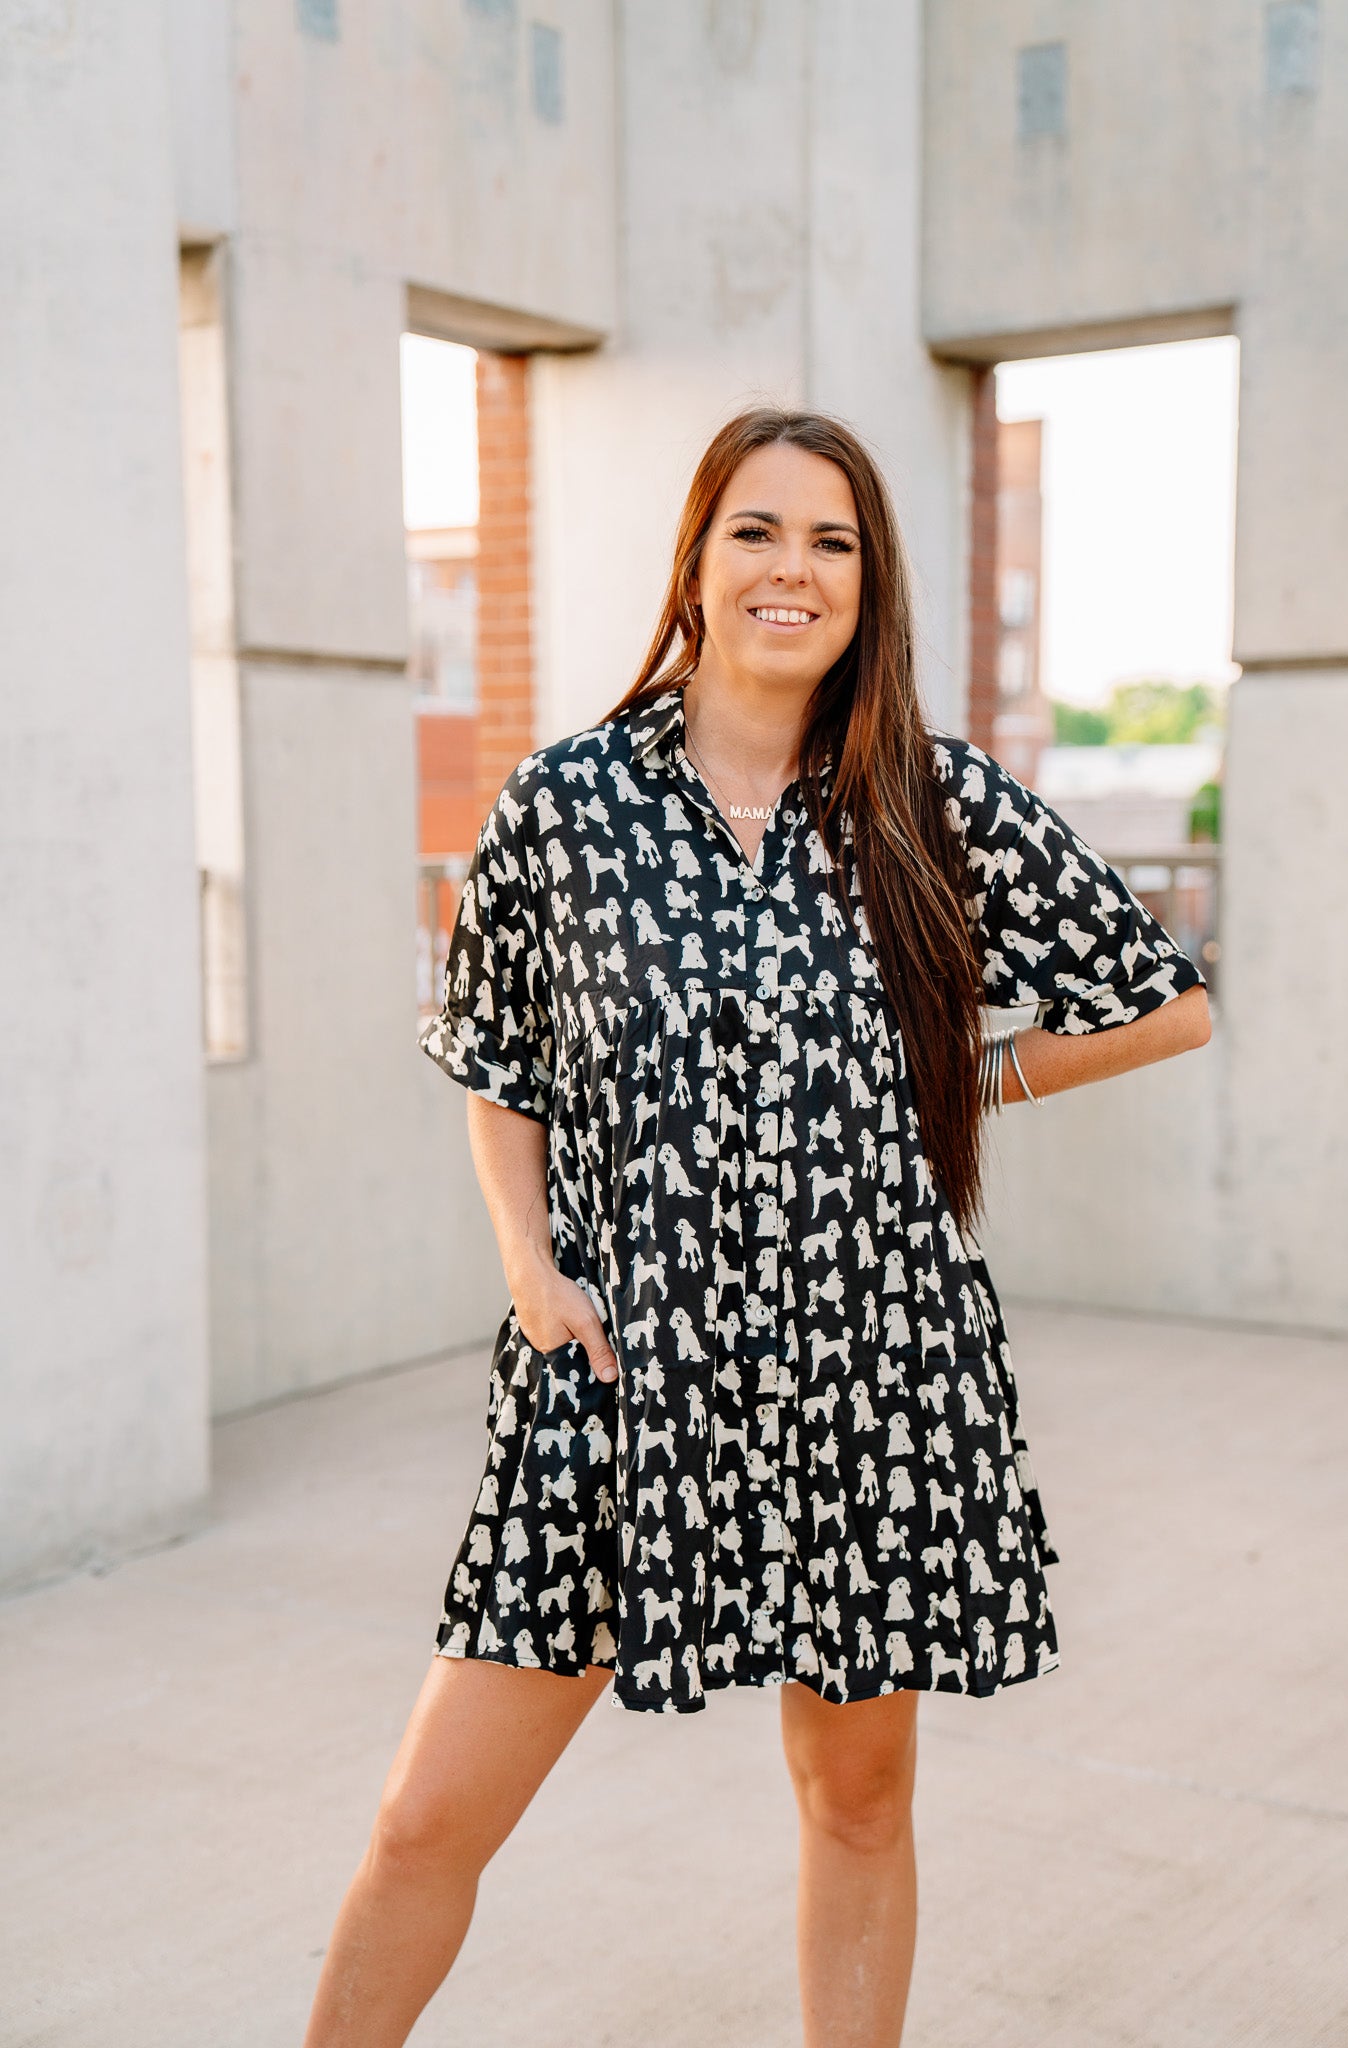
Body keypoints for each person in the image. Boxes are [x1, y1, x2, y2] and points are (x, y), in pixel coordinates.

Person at [302, 406, 1211, 2048]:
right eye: (758, 531)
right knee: (426, 1817)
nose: (793, 568)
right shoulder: (566, 805)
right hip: (617, 1368)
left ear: (868, 586)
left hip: (868, 1362)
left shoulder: (934, 803)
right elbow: (496, 1061)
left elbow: (1166, 1003)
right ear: (699, 563)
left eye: (833, 542)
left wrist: (970, 1083)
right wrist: (528, 1266)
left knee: (854, 1803)